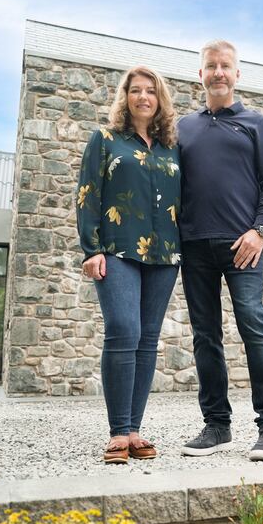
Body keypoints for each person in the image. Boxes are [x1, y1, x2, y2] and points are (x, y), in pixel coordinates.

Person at [178, 40, 263, 461]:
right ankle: (216, 426)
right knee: (206, 336)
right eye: (211, 67)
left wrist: (259, 231)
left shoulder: (257, 123)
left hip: (244, 246)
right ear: (200, 75)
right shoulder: (183, 127)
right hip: (195, 247)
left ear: (237, 74)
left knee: (254, 327)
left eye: (225, 66)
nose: (218, 73)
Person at [76, 65, 181, 464]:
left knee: (148, 338)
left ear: (160, 100)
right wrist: (91, 249)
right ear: (125, 96)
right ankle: (118, 431)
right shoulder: (104, 140)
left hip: (165, 254)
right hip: (116, 250)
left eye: (150, 91)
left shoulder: (172, 148)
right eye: (135, 90)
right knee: (123, 330)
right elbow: (88, 194)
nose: (143, 97)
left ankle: (135, 431)